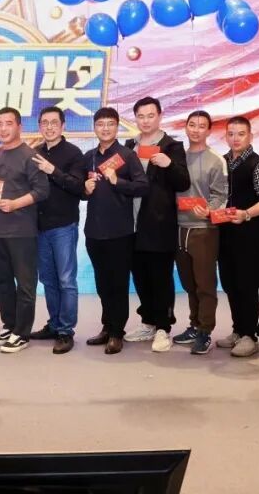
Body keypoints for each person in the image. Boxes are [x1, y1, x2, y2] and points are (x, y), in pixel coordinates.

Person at [124, 97, 190, 353]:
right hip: (132, 224)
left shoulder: (172, 146)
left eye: (150, 115)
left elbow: (183, 182)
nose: (145, 121)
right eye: (141, 116)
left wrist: (169, 164)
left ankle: (164, 327)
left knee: (160, 277)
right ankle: (148, 322)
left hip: (159, 223)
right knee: (140, 276)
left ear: (160, 116)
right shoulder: (129, 146)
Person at [81, 107, 149, 354]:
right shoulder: (88, 156)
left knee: (118, 284)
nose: (105, 128)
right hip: (94, 231)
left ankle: (117, 333)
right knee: (102, 284)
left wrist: (116, 181)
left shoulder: (127, 155)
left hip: (120, 232)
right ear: (94, 127)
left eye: (110, 124)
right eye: (100, 124)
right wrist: (85, 190)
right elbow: (79, 190)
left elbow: (142, 186)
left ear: (117, 127)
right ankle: (107, 326)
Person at [0, 107, 50, 353]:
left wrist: (15, 204)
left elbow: (42, 191)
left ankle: (22, 333)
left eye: (8, 123)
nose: (3, 128)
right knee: (2, 282)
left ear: (19, 127)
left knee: (25, 284)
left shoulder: (30, 156)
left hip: (22, 230)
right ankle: (10, 325)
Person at [29, 106, 86, 354]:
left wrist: (52, 170)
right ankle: (54, 324)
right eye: (45, 122)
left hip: (64, 225)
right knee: (48, 280)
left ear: (63, 126)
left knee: (66, 280)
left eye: (54, 122)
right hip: (39, 226)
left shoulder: (74, 153)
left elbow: (79, 188)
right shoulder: (34, 153)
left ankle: (65, 331)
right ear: (39, 126)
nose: (49, 127)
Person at [217, 116, 259, 358]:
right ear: (226, 136)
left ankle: (250, 335)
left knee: (247, 285)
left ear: (250, 136)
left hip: (248, 235)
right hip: (224, 233)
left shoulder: (258, 164)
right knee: (230, 283)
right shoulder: (221, 162)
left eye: (241, 134)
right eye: (231, 134)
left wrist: (246, 214)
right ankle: (238, 330)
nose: (236, 138)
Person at [173, 110, 228, 356]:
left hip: (204, 230)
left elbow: (221, 196)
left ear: (209, 130)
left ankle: (205, 330)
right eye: (192, 125)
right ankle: (195, 325)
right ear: (186, 127)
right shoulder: (178, 158)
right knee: (189, 283)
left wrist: (209, 210)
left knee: (205, 284)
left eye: (201, 126)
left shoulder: (216, 160)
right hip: (179, 228)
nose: (196, 130)